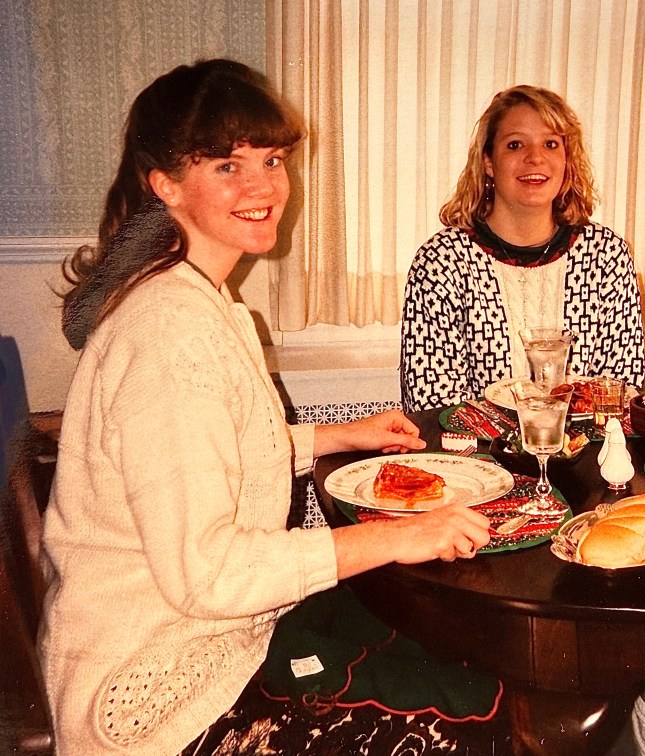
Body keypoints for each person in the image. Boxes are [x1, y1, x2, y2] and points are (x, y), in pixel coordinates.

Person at [38, 59, 506, 755]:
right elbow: (210, 573)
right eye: (227, 165)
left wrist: (334, 437)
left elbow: (214, 450)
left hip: (227, 639)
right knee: (468, 720)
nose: (263, 186)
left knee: (454, 652)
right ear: (166, 184)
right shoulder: (168, 333)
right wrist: (393, 537)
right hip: (158, 702)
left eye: (273, 160)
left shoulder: (195, 296)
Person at [400, 84, 645, 412]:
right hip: (477, 445)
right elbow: (432, 402)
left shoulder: (607, 255)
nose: (535, 158)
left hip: (587, 442)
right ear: (488, 162)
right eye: (515, 144)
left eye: (550, 144)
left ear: (567, 160)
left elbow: (620, 387)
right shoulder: (442, 262)